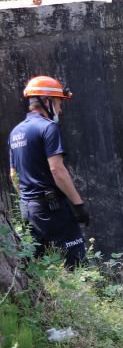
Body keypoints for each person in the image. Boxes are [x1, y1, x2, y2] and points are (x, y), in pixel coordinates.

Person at [8, 75, 89, 268]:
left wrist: (29, 200)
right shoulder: (48, 128)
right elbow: (57, 169)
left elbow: (13, 175)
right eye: (59, 104)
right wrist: (78, 205)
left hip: (28, 209)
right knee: (75, 262)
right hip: (52, 209)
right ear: (47, 101)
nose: (60, 110)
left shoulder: (16, 132)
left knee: (40, 265)